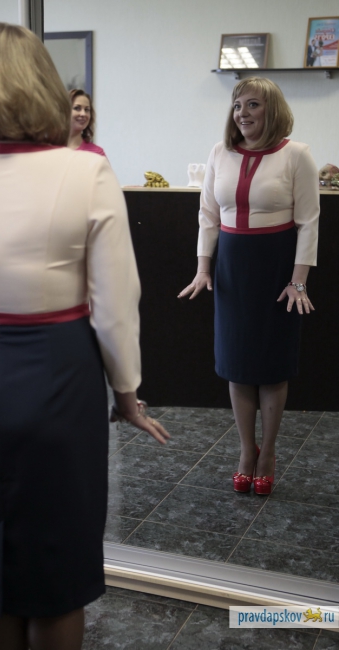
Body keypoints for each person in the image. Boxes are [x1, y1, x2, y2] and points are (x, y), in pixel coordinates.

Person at [0, 22, 169, 650]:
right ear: (44, 87)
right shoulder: (85, 172)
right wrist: (126, 392)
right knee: (57, 567)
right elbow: (116, 304)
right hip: (58, 368)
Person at [178, 77, 319, 496]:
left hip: (276, 268)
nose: (243, 113)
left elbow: (309, 222)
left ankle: (269, 452)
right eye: (238, 105)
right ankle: (245, 451)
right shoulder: (219, 153)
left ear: (272, 110)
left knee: (272, 367)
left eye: (253, 105)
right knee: (237, 365)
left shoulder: (297, 155)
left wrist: (298, 281)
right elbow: (208, 215)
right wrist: (204, 269)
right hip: (232, 268)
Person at [67, 88, 106, 156]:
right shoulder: (50, 150)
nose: (83, 114)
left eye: (87, 110)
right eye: (77, 108)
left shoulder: (96, 152)